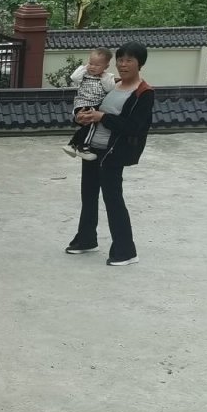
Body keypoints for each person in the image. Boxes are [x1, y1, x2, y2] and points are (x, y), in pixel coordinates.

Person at [66, 42, 154, 266]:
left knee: (113, 199)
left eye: (129, 61)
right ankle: (86, 239)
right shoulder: (111, 85)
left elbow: (134, 126)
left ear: (140, 64)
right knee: (88, 196)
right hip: (93, 149)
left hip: (114, 152)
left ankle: (125, 250)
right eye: (120, 60)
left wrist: (102, 117)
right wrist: (83, 116)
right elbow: (94, 107)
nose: (123, 65)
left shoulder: (143, 92)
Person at [63, 49, 116, 160]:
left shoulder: (108, 77)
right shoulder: (84, 74)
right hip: (82, 103)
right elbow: (74, 78)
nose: (92, 67)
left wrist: (103, 77)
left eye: (97, 65)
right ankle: (83, 148)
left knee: (89, 126)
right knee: (92, 123)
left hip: (96, 105)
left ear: (106, 67)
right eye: (91, 63)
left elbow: (110, 88)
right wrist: (84, 67)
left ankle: (72, 144)